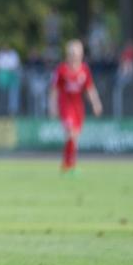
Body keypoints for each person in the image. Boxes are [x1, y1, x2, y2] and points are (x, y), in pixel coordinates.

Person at [49, 39, 102, 176]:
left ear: (81, 54)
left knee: (74, 137)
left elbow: (89, 88)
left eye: (77, 53)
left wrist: (96, 103)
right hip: (65, 105)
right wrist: (52, 106)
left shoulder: (84, 70)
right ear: (68, 54)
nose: (74, 55)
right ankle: (68, 165)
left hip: (78, 106)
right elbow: (54, 90)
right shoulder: (61, 70)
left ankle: (68, 165)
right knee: (71, 134)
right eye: (72, 53)